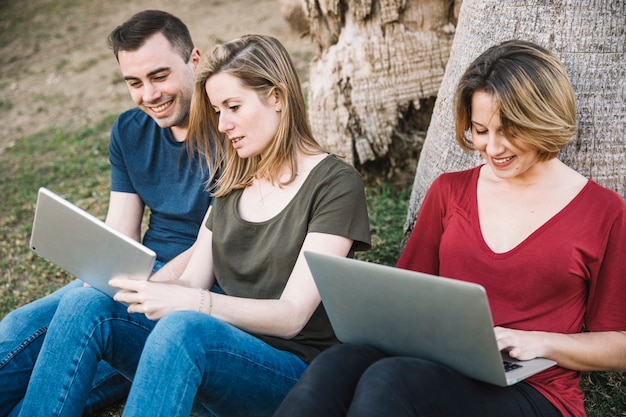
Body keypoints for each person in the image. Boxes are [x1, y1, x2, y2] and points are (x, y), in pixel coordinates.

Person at [15, 34, 371, 417]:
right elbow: (191, 281)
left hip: (290, 374)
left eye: (233, 107)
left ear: (278, 97)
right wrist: (134, 288)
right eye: (218, 110)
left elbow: (291, 315)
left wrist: (197, 304)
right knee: (87, 302)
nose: (223, 125)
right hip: (210, 359)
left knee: (186, 329)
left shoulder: (335, 183)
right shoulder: (234, 176)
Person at [272, 39, 626, 417]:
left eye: (509, 130)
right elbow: (408, 295)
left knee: (392, 381)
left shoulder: (604, 211)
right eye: (481, 130)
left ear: (542, 118)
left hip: (533, 391)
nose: (493, 147)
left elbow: (619, 345)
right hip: (441, 366)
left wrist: (540, 342)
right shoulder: (449, 192)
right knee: (337, 363)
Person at [0, 10, 213, 417]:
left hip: (194, 286)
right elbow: (122, 230)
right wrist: (100, 274)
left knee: (46, 386)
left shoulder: (232, 129)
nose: (149, 94)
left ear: (195, 60)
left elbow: (214, 246)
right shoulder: (129, 131)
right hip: (135, 275)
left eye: (159, 76)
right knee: (17, 326)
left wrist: (136, 290)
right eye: (134, 82)